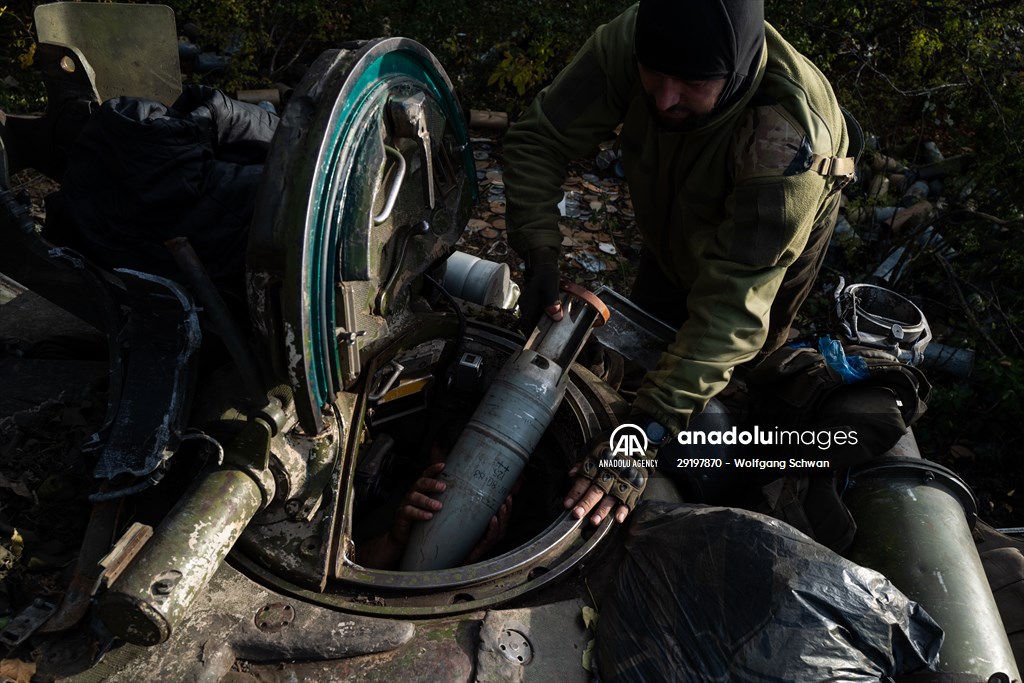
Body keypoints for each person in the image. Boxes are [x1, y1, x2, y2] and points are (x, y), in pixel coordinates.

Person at [503, 0, 856, 526]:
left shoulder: (787, 142)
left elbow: (733, 310)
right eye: (655, 74)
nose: (664, 97)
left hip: (763, 252)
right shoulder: (636, 41)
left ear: (733, 73)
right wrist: (539, 253)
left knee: (738, 374)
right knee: (655, 319)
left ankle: (723, 454)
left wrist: (639, 436)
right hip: (673, 223)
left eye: (690, 82)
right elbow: (539, 140)